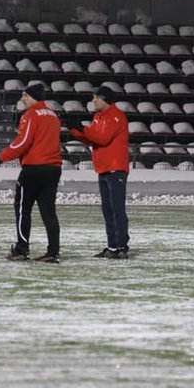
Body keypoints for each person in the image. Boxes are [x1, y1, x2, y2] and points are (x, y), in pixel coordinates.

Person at [0, 83, 63, 263]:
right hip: (53, 169)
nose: (22, 99)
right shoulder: (53, 116)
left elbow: (22, 141)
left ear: (33, 97)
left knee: (23, 209)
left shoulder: (31, 115)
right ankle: (53, 252)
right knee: (49, 212)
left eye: (25, 95)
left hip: (34, 169)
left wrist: (1, 157)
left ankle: (22, 249)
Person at [64, 85, 131, 259]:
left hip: (115, 169)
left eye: (96, 97)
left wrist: (82, 128)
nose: (93, 101)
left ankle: (121, 246)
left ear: (105, 99)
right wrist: (74, 128)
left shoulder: (116, 116)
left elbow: (102, 138)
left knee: (117, 209)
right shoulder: (99, 117)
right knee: (108, 210)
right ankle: (112, 246)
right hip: (104, 168)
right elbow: (90, 138)